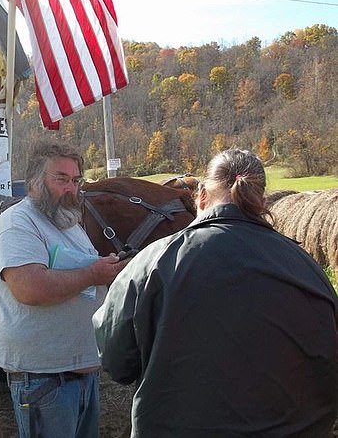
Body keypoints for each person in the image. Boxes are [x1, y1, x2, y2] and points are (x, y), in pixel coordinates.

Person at [93, 148, 338, 437]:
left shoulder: (154, 261)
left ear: (201, 197)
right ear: (260, 201)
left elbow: (115, 360)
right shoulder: (305, 266)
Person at [0, 140, 127, 438]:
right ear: (34, 182)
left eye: (76, 180)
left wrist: (107, 269)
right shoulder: (18, 225)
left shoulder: (66, 223)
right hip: (45, 380)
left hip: (78, 374)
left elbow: (80, 271)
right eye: (61, 178)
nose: (71, 188)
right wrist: (93, 273)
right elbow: (30, 288)